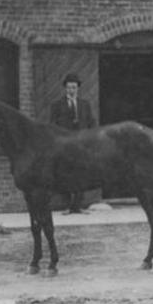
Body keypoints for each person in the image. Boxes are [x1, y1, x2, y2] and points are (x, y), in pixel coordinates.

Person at [50, 73, 96, 214]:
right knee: (65, 173)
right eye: (69, 87)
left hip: (81, 145)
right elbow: (53, 125)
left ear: (78, 88)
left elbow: (91, 123)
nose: (72, 90)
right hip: (64, 145)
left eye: (74, 87)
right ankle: (68, 205)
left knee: (81, 173)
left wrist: (91, 139)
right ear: (65, 88)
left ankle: (78, 205)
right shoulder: (57, 105)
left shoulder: (85, 105)